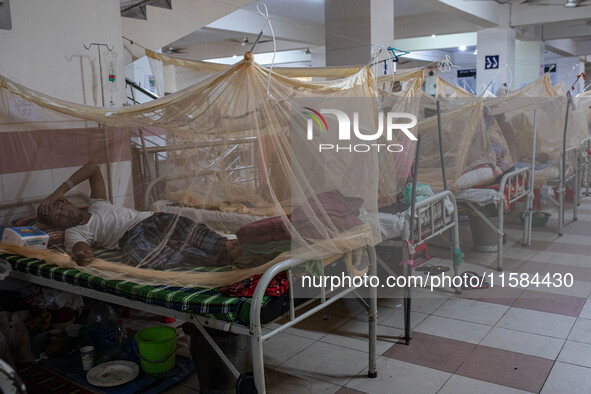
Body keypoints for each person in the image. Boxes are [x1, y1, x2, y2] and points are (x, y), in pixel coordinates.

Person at [37, 162, 242, 268]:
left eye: (60, 206)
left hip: (150, 220)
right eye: (57, 218)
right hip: (133, 238)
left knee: (185, 226)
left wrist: (58, 191)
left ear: (67, 201)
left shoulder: (97, 204)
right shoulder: (74, 232)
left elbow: (93, 167)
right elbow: (81, 249)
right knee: (140, 257)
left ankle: (223, 245)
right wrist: (82, 254)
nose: (63, 214)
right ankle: (219, 258)